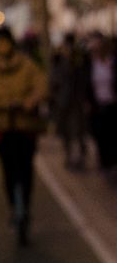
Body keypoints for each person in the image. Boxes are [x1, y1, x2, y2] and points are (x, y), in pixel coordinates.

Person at [0, 27, 48, 245]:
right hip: (2, 128)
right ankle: (15, 208)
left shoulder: (27, 65)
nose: (2, 47)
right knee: (8, 170)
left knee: (26, 170)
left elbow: (40, 86)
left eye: (5, 42)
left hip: (25, 127)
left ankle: (25, 208)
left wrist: (30, 101)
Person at [49, 35, 92, 169]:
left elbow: (84, 81)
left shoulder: (79, 62)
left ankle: (80, 156)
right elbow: (53, 81)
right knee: (66, 131)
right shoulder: (58, 61)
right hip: (62, 102)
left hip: (76, 102)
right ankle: (69, 156)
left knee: (78, 130)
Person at [89, 34, 117, 177]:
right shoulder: (91, 64)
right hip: (98, 105)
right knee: (101, 135)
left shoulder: (112, 62)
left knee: (113, 135)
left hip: (112, 104)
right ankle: (105, 162)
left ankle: (112, 162)